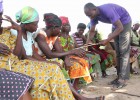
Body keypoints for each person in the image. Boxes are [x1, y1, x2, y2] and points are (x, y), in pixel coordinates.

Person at [1, 6, 75, 100]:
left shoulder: (29, 34)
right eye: (35, 24)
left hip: (29, 61)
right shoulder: (14, 33)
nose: (37, 27)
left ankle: (67, 96)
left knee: (55, 67)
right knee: (49, 73)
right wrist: (49, 63)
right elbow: (23, 56)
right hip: (23, 63)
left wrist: (50, 63)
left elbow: (33, 54)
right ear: (26, 24)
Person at [84, 3, 132, 88]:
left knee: (123, 51)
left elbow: (120, 27)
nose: (90, 17)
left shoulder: (107, 10)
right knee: (118, 52)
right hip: (116, 25)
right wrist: (88, 41)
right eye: (88, 16)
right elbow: (92, 31)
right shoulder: (93, 17)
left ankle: (123, 79)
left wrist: (107, 40)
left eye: (90, 15)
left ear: (94, 9)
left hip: (124, 22)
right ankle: (119, 77)